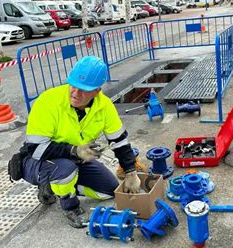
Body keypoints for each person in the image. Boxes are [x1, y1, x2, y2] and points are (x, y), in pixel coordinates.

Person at [11, 56, 141, 228]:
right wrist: (74, 151)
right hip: (37, 161)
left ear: (97, 91)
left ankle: (54, 188)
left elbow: (119, 142)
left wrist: (131, 172)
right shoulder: (48, 101)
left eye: (84, 90)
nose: (75, 93)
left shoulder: (105, 106)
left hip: (74, 159)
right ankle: (69, 206)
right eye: (73, 85)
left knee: (109, 190)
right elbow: (35, 149)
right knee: (65, 170)